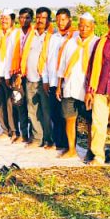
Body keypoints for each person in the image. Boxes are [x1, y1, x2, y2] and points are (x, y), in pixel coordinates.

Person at [86, 10, 110, 166]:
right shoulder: (101, 42)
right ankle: (99, 157)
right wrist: (90, 91)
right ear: (108, 25)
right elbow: (92, 67)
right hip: (100, 89)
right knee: (98, 125)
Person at [57, 13, 98, 160]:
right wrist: (59, 85)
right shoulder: (71, 42)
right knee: (69, 119)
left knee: (89, 122)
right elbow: (62, 65)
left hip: (87, 90)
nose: (83, 29)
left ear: (93, 26)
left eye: (87, 26)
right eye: (81, 25)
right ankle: (72, 149)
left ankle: (89, 151)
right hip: (70, 87)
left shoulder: (96, 43)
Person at [20, 7, 53, 147]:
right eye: (38, 17)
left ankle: (48, 139)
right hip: (30, 79)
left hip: (43, 81)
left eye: (43, 18)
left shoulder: (52, 36)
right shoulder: (31, 35)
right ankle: (37, 138)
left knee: (46, 111)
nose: (40, 20)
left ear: (48, 20)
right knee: (32, 111)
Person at [46, 8, 75, 150]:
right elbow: (48, 59)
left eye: (63, 19)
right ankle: (58, 142)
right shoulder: (53, 37)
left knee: (67, 116)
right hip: (53, 81)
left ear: (69, 19)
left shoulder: (74, 38)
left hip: (67, 83)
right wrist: (46, 80)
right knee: (55, 114)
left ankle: (68, 144)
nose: (60, 23)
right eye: (58, 20)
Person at [0, 10, 18, 139]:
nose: (4, 21)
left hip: (9, 75)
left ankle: (14, 130)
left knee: (11, 104)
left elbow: (11, 57)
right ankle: (5, 130)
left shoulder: (15, 36)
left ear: (12, 20)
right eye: (2, 18)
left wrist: (9, 76)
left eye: (6, 18)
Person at [12, 8, 34, 142]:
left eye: (26, 17)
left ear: (31, 19)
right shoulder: (16, 34)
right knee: (19, 104)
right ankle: (23, 134)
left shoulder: (34, 34)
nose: (23, 20)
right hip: (17, 74)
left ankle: (33, 134)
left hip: (30, 74)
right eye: (21, 17)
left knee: (30, 106)